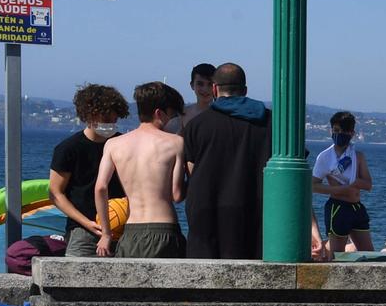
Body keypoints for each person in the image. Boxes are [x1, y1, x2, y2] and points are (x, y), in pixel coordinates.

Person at [181, 62, 272, 259]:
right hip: (257, 215)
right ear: (245, 90)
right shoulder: (271, 122)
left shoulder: (196, 125)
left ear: (214, 89)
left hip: (208, 216)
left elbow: (191, 171)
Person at [96, 82, 187, 258]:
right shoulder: (175, 143)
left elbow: (100, 187)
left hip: (131, 231)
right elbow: (176, 195)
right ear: (159, 113)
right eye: (173, 115)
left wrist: (106, 234)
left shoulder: (113, 145)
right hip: (165, 230)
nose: (176, 120)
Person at [49, 85, 128, 257]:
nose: (111, 123)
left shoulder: (124, 144)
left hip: (123, 226)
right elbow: (56, 193)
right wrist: (87, 223)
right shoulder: (68, 149)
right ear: (89, 115)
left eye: (114, 119)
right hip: (82, 230)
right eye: (106, 118)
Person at [312, 111, 375, 256]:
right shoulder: (325, 157)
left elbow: (368, 184)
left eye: (344, 131)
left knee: (369, 254)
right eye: (336, 130)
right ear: (331, 131)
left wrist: (354, 183)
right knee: (336, 255)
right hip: (338, 207)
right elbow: (313, 185)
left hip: (356, 207)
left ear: (351, 133)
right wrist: (339, 189)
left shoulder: (357, 156)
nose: (339, 134)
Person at [169, 63, 216, 134]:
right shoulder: (183, 113)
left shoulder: (224, 113)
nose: (205, 89)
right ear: (192, 85)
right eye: (200, 84)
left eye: (210, 84)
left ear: (216, 87)